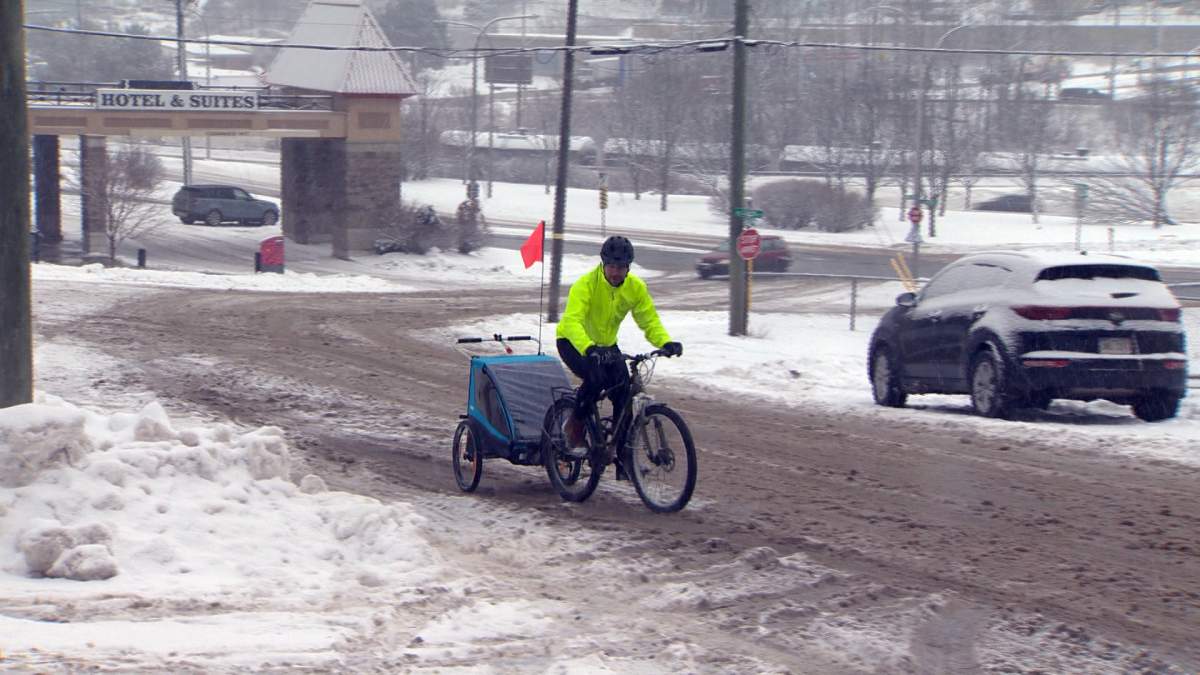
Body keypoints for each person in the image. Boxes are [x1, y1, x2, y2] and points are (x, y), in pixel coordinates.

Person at [556, 235, 683, 461]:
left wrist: (665, 342)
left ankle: (619, 451)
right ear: (604, 264)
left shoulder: (635, 288)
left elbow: (649, 320)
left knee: (623, 393)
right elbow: (572, 321)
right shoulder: (585, 285)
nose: (616, 272)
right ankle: (573, 429)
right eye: (612, 266)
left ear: (628, 267)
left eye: (621, 267)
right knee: (596, 380)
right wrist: (588, 348)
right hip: (573, 342)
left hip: (606, 345)